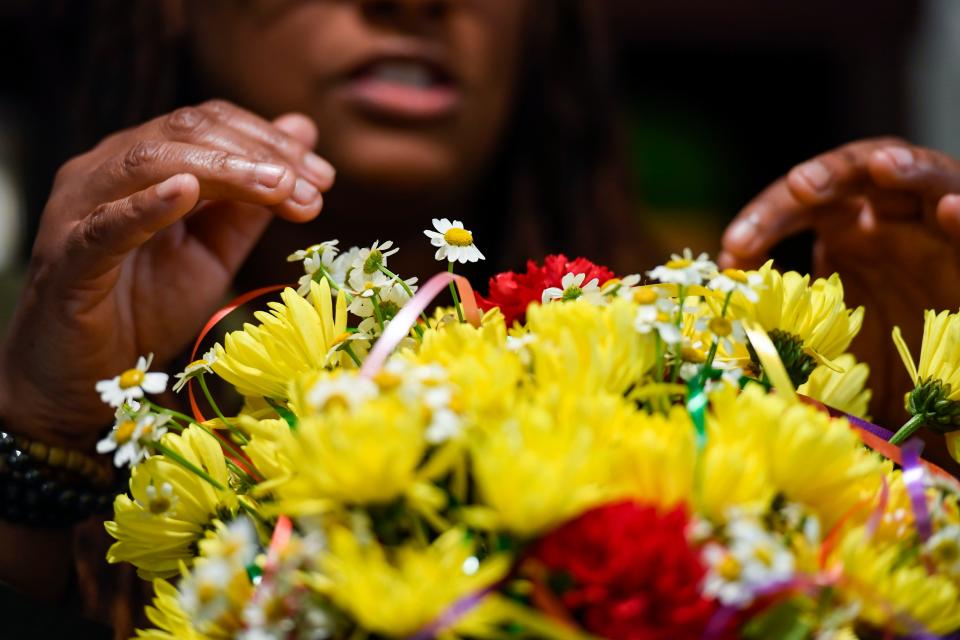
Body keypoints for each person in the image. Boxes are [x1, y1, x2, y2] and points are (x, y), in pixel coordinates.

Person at [1, 0, 959, 633]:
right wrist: (47, 447)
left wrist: (905, 461)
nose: (417, 1)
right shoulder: (39, 371)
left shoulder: (726, 366)